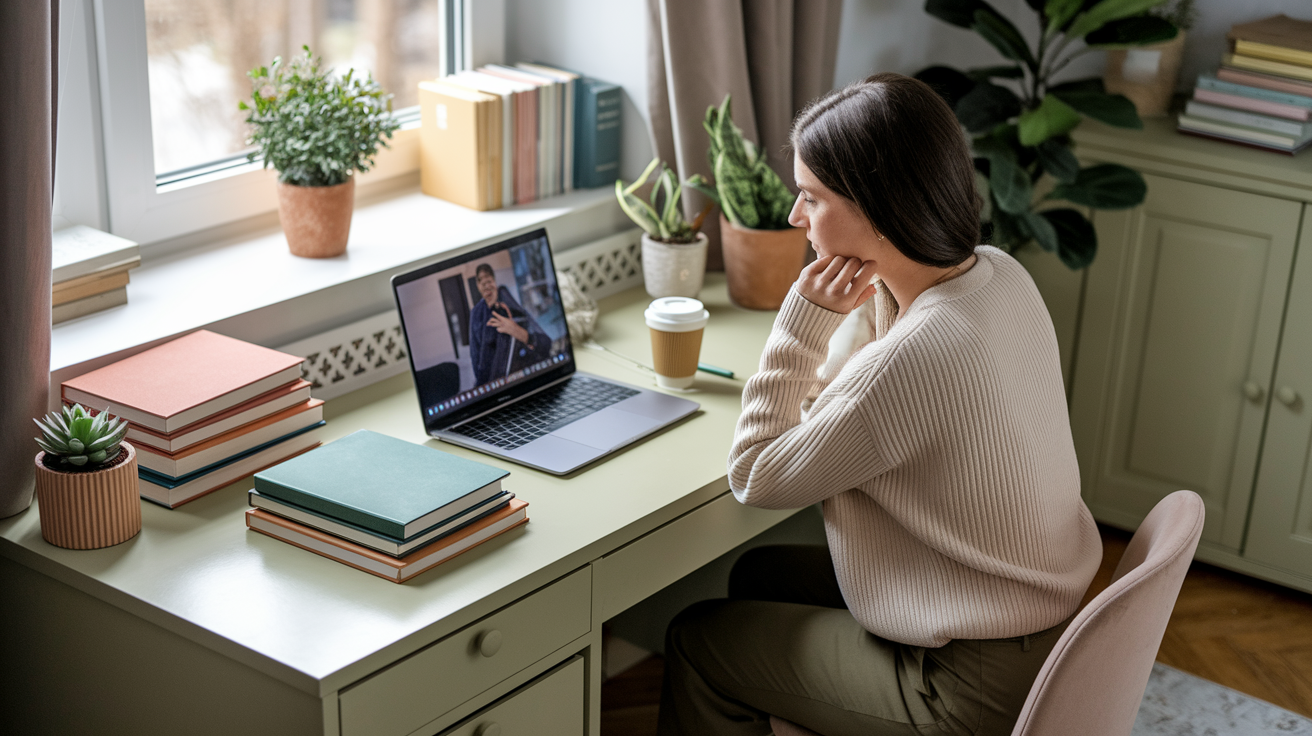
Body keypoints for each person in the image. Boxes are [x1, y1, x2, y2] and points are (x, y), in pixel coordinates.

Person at [656, 73, 1102, 736]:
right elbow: (862, 380)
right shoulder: (998, 272)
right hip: (1041, 628)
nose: (793, 218)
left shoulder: (920, 357)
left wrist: (799, 324)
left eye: (810, 197)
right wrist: (870, 287)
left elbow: (753, 474)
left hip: (966, 687)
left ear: (877, 207)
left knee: (699, 638)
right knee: (759, 571)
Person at [468, 263, 551, 386]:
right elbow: (476, 355)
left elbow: (544, 344)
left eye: (489, 282)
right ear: (478, 286)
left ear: (494, 282)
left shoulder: (505, 297)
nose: (486, 287)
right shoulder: (476, 314)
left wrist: (516, 330)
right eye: (482, 283)